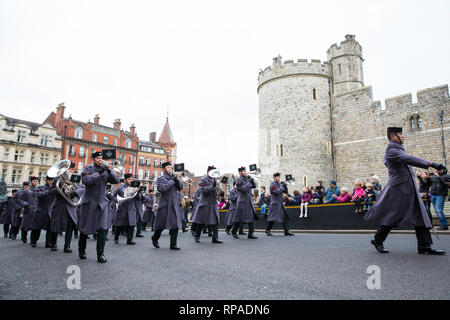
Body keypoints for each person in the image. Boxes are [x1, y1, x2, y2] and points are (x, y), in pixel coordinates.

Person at [364, 126, 446, 255]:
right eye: (400, 134)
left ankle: (424, 246)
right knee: (393, 215)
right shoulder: (391, 150)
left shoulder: (398, 149)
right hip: (398, 189)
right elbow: (409, 159)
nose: (403, 136)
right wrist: (431, 163)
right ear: (392, 136)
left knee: (420, 214)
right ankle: (378, 239)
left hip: (408, 188)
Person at [79, 151, 120, 263]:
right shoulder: (87, 169)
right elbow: (87, 181)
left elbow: (116, 180)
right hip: (89, 202)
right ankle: (82, 250)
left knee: (103, 228)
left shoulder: (106, 169)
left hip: (102, 203)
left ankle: (100, 254)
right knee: (85, 229)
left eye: (101, 158)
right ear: (94, 159)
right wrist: (100, 172)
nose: (100, 160)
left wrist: (109, 170)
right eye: (98, 158)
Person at [48, 162, 85, 252]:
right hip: (59, 205)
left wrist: (75, 193)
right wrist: (59, 188)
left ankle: (67, 245)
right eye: (69, 169)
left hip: (71, 206)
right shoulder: (57, 178)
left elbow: (82, 188)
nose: (70, 171)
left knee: (70, 227)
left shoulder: (75, 178)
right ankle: (53, 243)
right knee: (56, 226)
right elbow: (51, 190)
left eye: (72, 169)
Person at [151, 162, 184, 250]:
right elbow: (162, 188)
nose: (170, 169)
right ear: (164, 169)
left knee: (175, 224)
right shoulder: (161, 178)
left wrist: (177, 180)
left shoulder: (174, 177)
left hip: (174, 205)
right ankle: (155, 237)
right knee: (160, 225)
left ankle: (173, 244)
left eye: (171, 167)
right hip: (165, 205)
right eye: (168, 167)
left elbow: (181, 187)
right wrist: (172, 180)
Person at [192, 166, 223, 244]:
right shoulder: (203, 179)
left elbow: (217, 191)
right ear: (208, 172)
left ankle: (215, 238)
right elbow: (203, 190)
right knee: (201, 221)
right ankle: (197, 235)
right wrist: (212, 186)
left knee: (215, 220)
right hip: (205, 202)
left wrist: (221, 192)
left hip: (213, 203)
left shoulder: (215, 180)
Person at [231, 167, 258, 239]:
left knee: (251, 217)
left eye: (245, 171)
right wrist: (249, 182)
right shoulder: (238, 180)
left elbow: (254, 186)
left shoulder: (247, 179)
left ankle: (251, 234)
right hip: (242, 201)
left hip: (249, 201)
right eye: (243, 171)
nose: (245, 172)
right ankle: (234, 231)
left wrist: (252, 181)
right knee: (239, 218)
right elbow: (243, 189)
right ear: (240, 172)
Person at [113, 174, 141, 245]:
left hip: (131, 208)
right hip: (122, 208)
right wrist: (117, 200)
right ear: (125, 180)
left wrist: (137, 192)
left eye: (131, 179)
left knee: (131, 224)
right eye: (129, 179)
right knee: (119, 224)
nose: (130, 181)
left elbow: (138, 198)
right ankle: (116, 237)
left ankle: (129, 240)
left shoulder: (134, 187)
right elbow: (114, 196)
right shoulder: (120, 188)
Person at [265, 172, 294, 237]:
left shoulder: (279, 184)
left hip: (280, 203)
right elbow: (277, 191)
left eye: (279, 177)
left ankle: (286, 231)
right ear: (275, 178)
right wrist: (282, 186)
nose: (279, 178)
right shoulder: (272, 185)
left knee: (284, 217)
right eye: (278, 177)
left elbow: (285, 192)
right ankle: (268, 230)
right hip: (275, 204)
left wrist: (285, 186)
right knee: (272, 218)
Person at [29, 176, 54, 248]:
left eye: (52, 181)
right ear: (46, 180)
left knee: (50, 228)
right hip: (41, 210)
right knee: (36, 227)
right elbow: (39, 195)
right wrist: (49, 191)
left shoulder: (54, 189)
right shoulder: (40, 188)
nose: (51, 182)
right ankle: (33, 241)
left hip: (49, 210)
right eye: (49, 181)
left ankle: (48, 242)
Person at [17, 179, 39, 243]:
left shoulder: (38, 190)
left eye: (36, 181)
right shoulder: (26, 191)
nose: (35, 182)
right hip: (28, 210)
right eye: (34, 181)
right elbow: (20, 200)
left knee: (35, 226)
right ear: (31, 182)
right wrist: (25, 204)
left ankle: (33, 240)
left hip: (36, 210)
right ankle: (24, 237)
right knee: (25, 225)